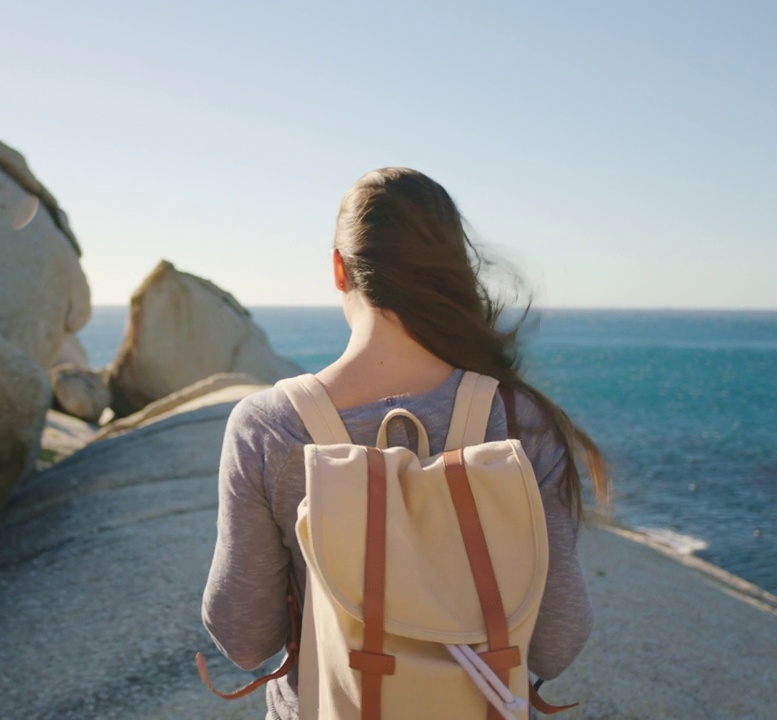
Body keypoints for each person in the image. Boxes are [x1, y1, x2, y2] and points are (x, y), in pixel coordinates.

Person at [201, 167, 610, 719]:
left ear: (339, 269)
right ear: (453, 273)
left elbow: (244, 638)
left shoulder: (271, 427)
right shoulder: (520, 421)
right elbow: (557, 642)